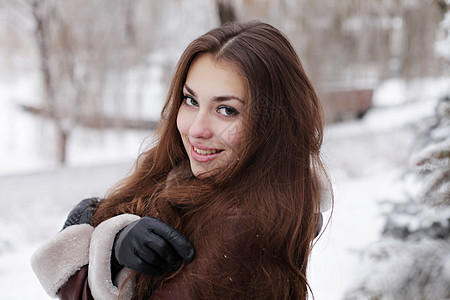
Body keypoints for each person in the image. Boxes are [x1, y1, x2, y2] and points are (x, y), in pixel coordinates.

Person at [31, 20, 331, 300]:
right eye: (191, 100)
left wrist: (99, 245)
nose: (196, 129)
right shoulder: (180, 175)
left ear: (273, 122)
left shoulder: (240, 229)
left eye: (226, 110)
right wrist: (113, 244)